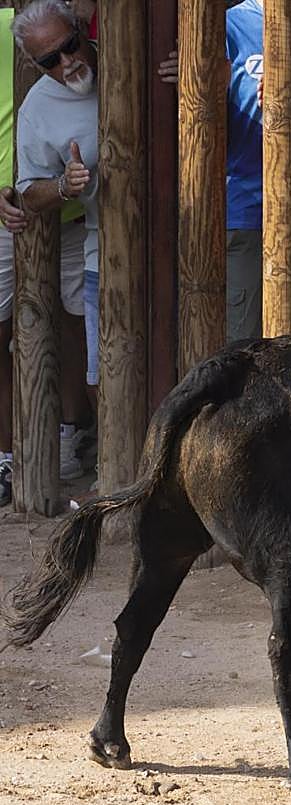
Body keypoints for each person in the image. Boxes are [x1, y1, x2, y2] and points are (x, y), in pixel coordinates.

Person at [160, 0, 291, 341]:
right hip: (252, 216)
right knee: (247, 346)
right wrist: (203, 88)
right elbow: (202, 136)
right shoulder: (225, 28)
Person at [8, 0, 102, 485]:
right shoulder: (39, 108)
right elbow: (29, 190)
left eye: (71, 46)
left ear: (81, 29)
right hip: (103, 249)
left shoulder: (129, 62)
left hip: (181, 239)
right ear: (34, 64)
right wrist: (64, 186)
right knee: (104, 372)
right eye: (51, 60)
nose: (68, 62)